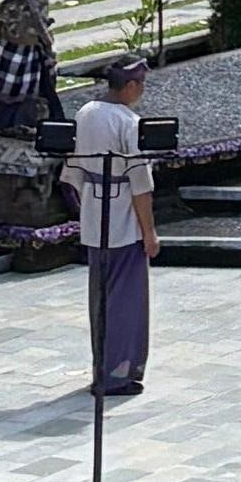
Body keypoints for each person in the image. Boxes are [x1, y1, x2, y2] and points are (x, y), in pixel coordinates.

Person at [69, 50, 155, 396]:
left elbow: (72, 172)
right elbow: (141, 185)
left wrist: (88, 206)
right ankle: (118, 372)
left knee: (100, 298)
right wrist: (149, 231)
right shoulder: (128, 124)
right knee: (125, 302)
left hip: (94, 214)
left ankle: (101, 367)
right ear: (131, 86)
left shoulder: (86, 113)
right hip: (122, 221)